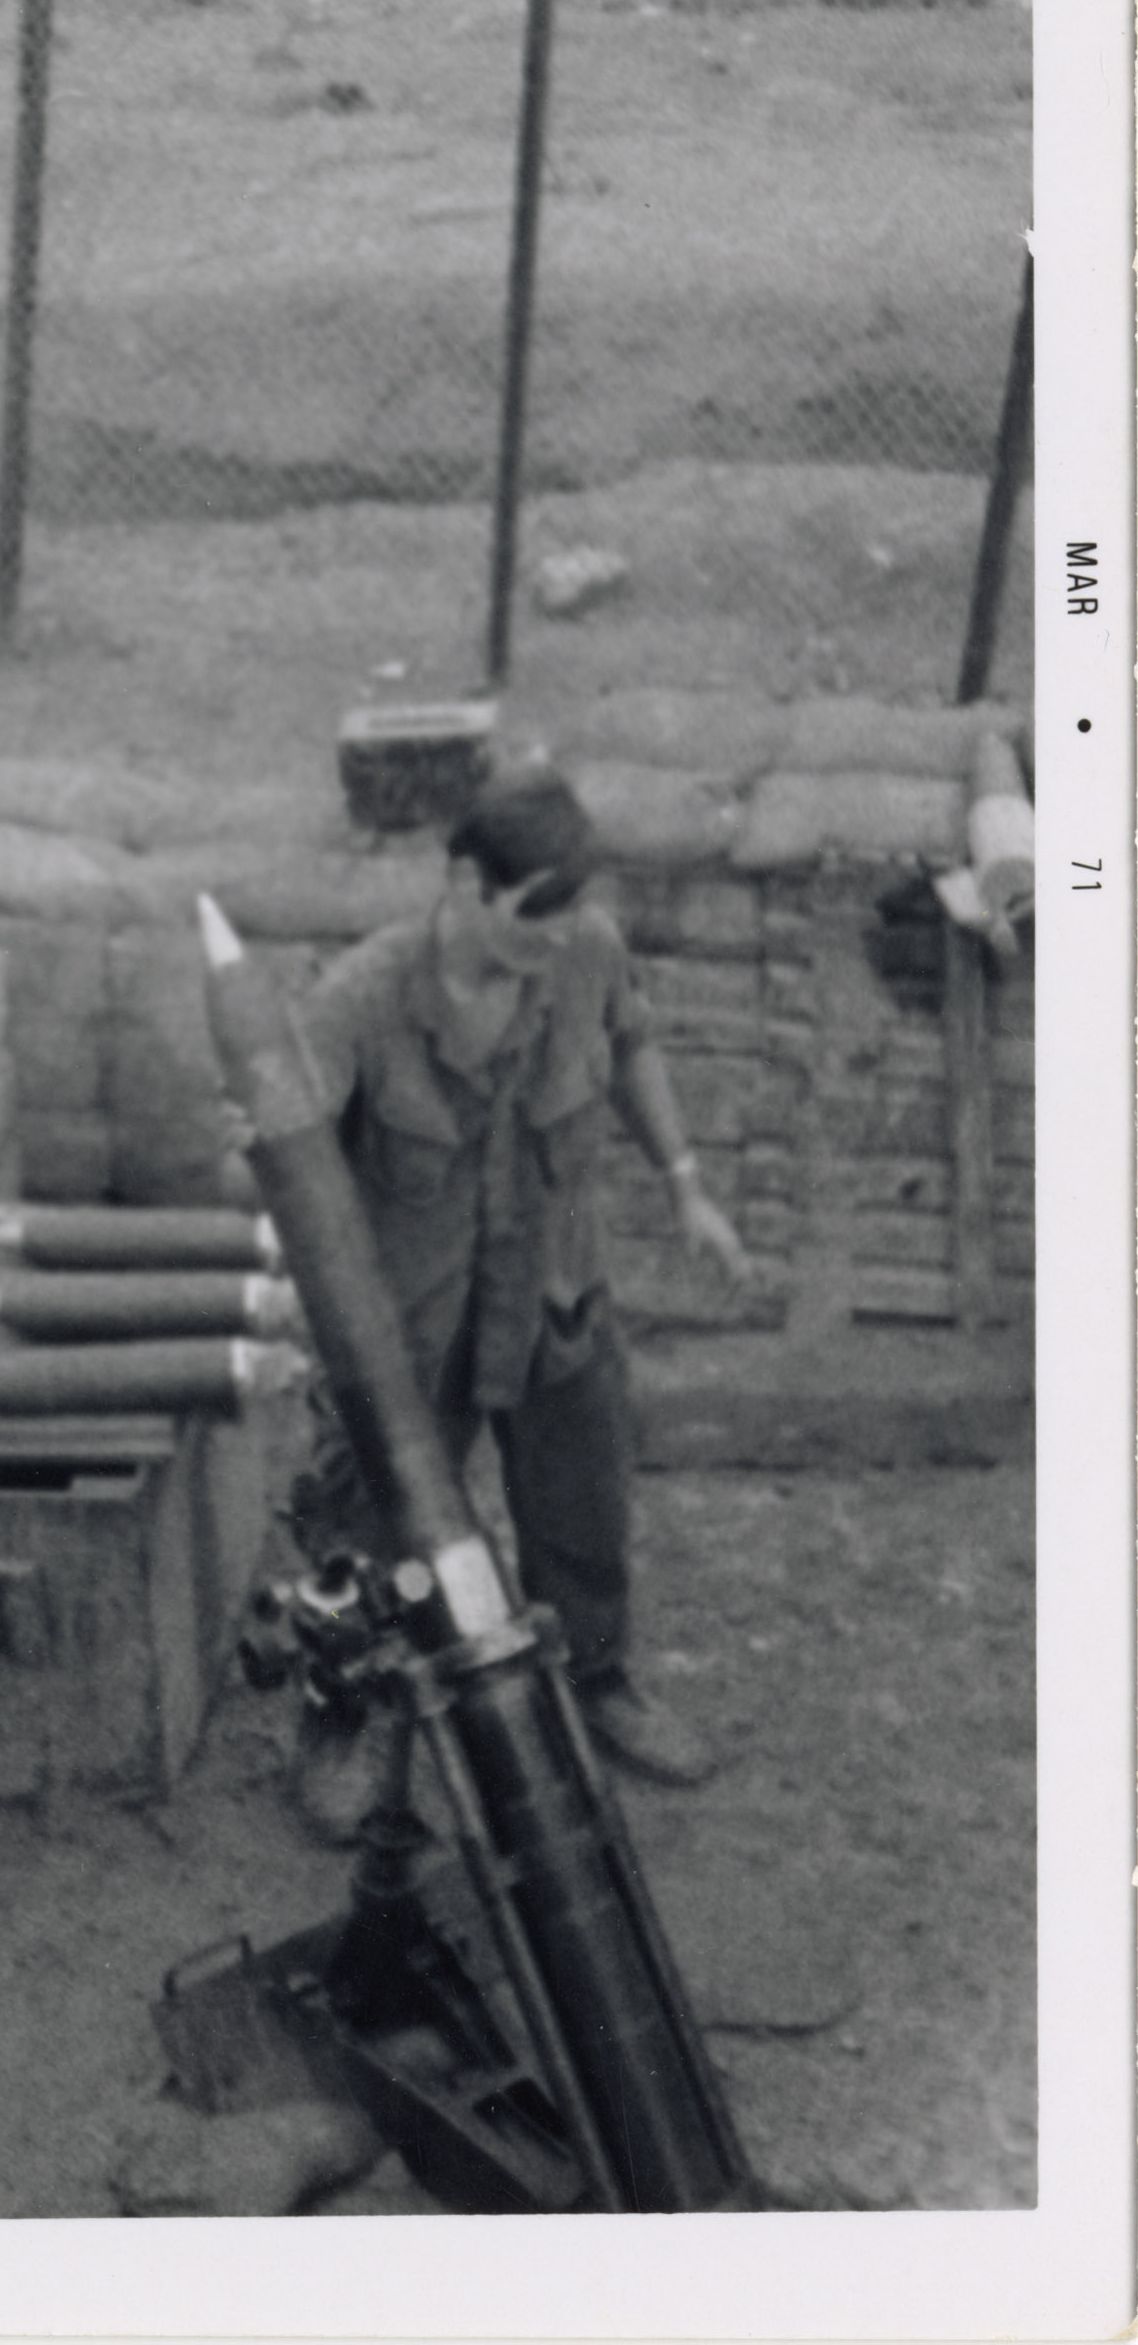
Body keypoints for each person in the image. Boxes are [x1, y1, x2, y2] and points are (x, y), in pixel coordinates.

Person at [275, 766, 750, 1827]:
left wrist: (684, 1184)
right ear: (463, 883)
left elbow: (629, 1039)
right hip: (409, 1337)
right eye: (535, 907)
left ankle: (595, 1682)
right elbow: (289, 1157)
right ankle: (344, 1715)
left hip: (551, 1296)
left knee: (581, 1508)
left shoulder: (584, 950)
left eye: (570, 906)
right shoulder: (357, 1000)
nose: (558, 930)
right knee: (367, 1540)